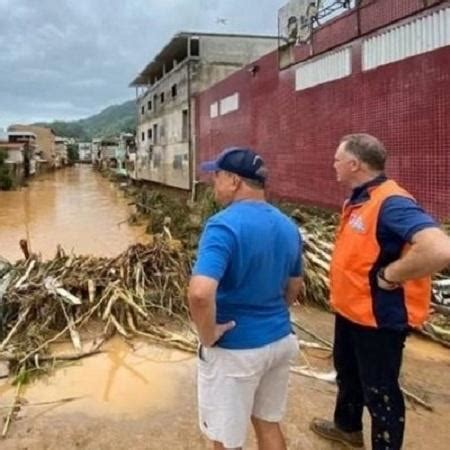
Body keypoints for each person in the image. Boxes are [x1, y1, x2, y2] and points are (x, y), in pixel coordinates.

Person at [310, 134, 450, 449]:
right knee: (348, 374)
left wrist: (391, 275)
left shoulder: (392, 202)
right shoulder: (360, 199)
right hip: (351, 310)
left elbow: (440, 249)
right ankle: (346, 428)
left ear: (354, 164)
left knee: (380, 389)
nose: (333, 164)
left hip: (378, 318)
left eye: (337, 159)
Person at [188, 147, 303, 450]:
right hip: (279, 340)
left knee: (226, 438)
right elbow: (294, 287)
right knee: (267, 422)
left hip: (236, 350)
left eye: (217, 176)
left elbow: (200, 293)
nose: (213, 182)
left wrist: (208, 334)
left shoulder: (223, 225)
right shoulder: (288, 226)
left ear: (235, 181)